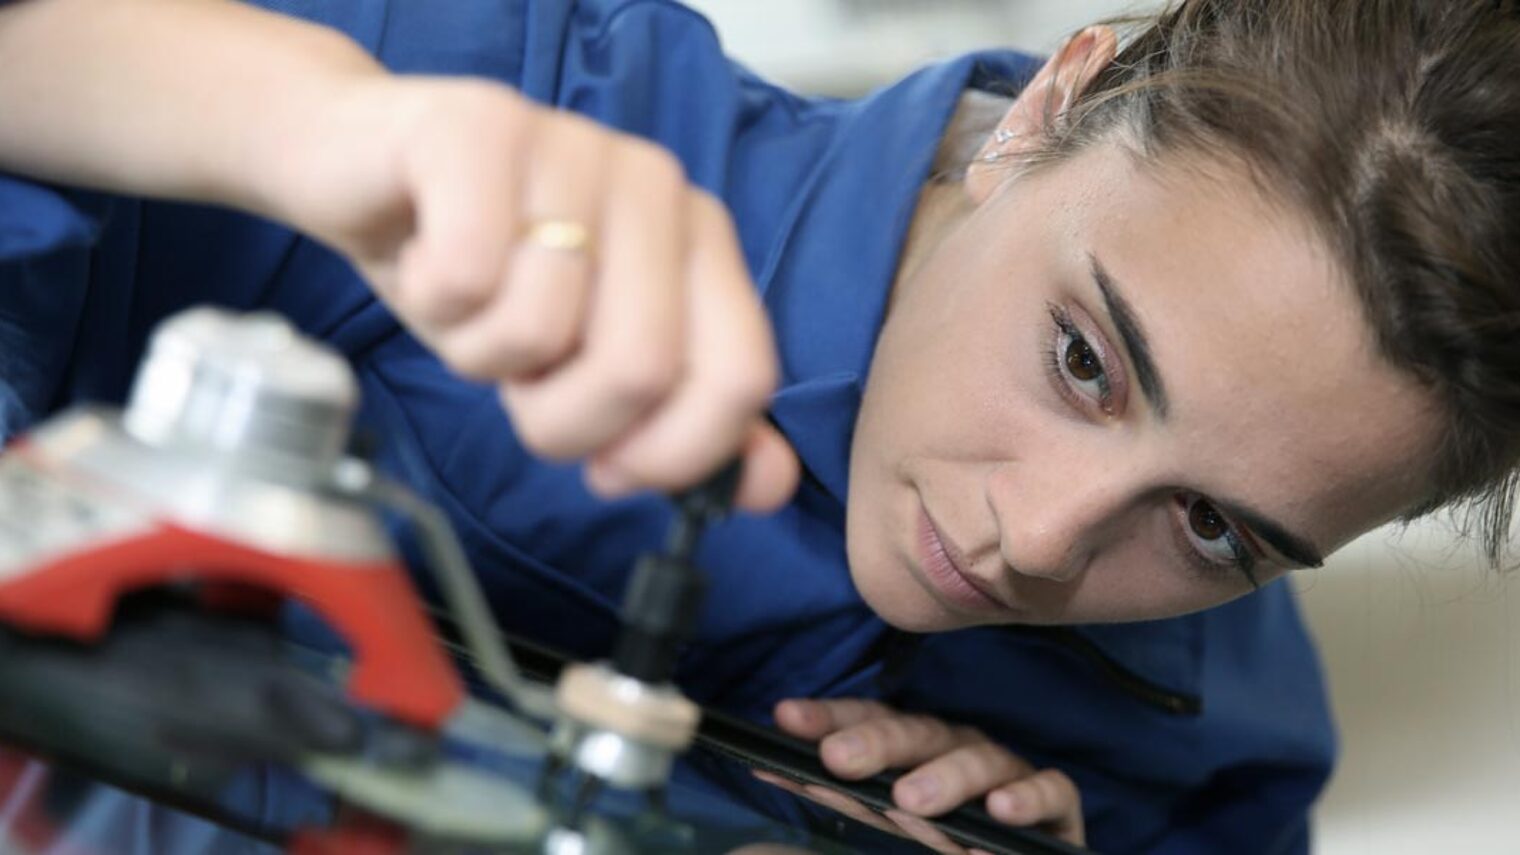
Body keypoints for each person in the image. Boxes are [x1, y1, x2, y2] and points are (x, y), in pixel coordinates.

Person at [0, 0, 1517, 852]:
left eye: (1214, 530)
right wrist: (296, 120)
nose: (1036, 542)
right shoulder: (488, 77)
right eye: (1084, 360)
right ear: (1057, 102)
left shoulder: (1219, 756)